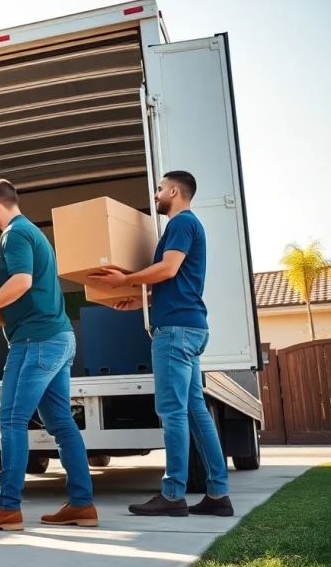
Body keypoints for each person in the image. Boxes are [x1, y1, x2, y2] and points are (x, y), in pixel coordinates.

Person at [88, 170, 233, 518]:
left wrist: (126, 279)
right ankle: (217, 494)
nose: (155, 194)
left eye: (159, 189)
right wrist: (141, 301)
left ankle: (172, 494)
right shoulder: (186, 226)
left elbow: (168, 269)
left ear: (174, 191)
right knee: (195, 412)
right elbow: (176, 282)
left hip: (175, 332)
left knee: (172, 412)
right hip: (190, 327)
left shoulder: (181, 223)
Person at [0, 178, 97, 531]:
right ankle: (82, 505)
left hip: (36, 341)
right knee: (61, 424)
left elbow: (21, 282)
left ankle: (7, 507)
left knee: (12, 420)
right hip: (58, 337)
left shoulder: (14, 234)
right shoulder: (33, 233)